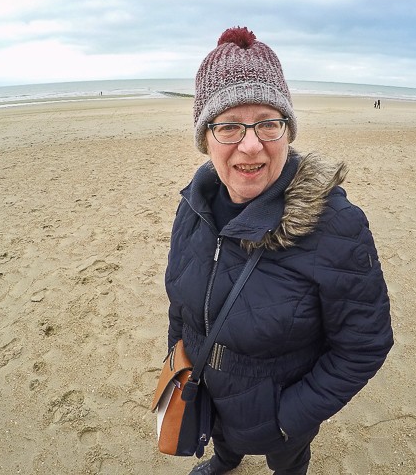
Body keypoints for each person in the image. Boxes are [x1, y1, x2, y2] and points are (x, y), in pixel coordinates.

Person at [163, 26, 393, 475]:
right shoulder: (192, 207)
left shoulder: (337, 225)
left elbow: (364, 345)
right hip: (208, 392)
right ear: (206, 137)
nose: (250, 145)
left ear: (287, 130)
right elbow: (181, 304)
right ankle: (225, 460)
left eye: (268, 123)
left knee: (288, 463)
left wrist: (288, 419)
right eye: (229, 125)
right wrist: (180, 359)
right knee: (224, 441)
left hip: (281, 419)